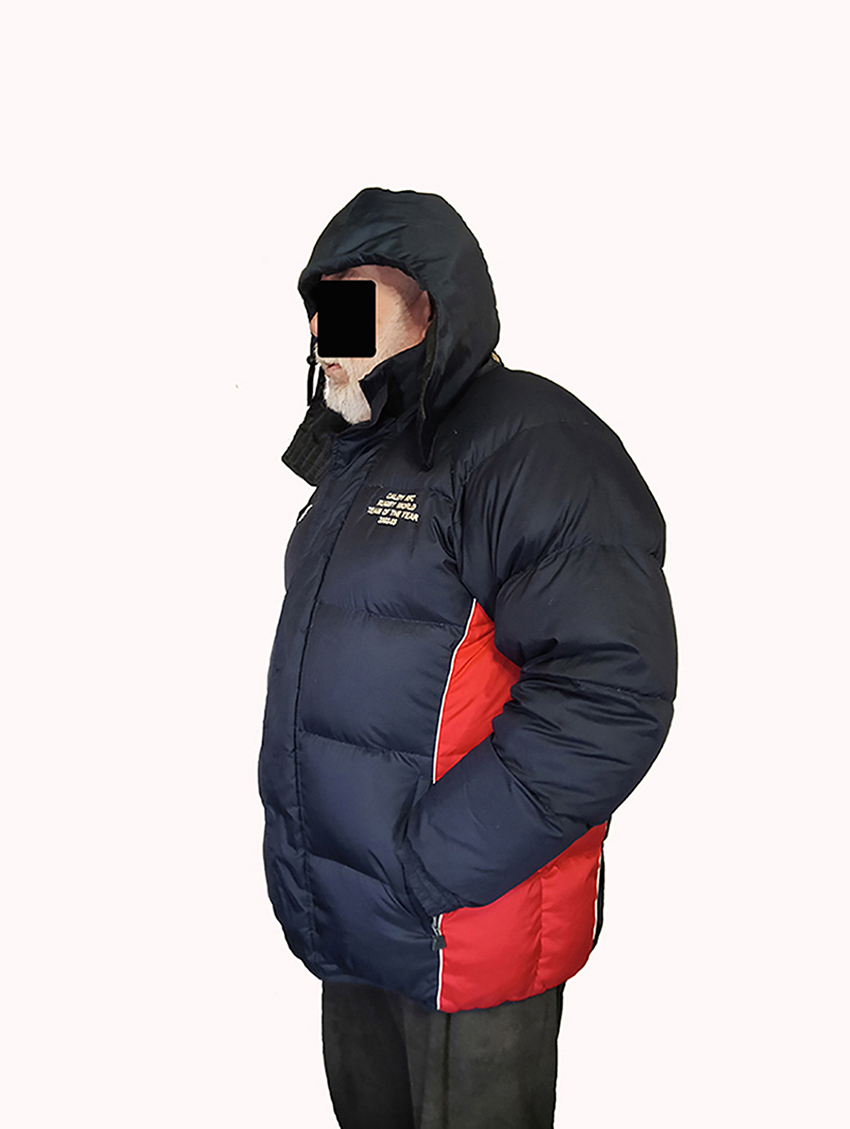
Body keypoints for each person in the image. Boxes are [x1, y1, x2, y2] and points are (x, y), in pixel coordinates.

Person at [258, 187, 678, 1129]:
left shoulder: (530, 444)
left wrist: (433, 862)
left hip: (464, 927)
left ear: (431, 303)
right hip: (360, 917)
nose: (325, 331)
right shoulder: (364, 456)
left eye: (352, 303)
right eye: (318, 306)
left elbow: (610, 689)